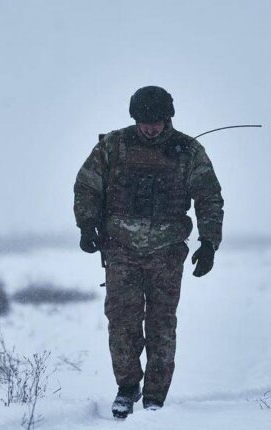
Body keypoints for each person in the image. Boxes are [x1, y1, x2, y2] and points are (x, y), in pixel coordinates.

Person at [73, 86, 224, 418]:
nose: (150, 128)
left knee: (161, 323)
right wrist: (87, 225)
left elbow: (209, 196)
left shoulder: (188, 150)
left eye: (156, 121)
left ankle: (155, 396)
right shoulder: (112, 146)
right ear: (135, 118)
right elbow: (87, 185)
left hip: (167, 252)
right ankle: (127, 388)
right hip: (121, 249)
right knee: (122, 321)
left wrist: (209, 242)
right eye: (144, 121)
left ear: (167, 118)